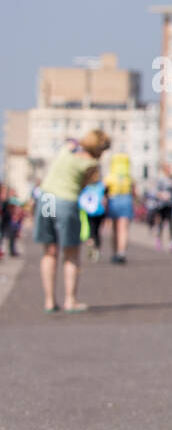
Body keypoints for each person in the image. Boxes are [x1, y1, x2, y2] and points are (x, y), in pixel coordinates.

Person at [35, 130, 109, 312]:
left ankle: (49, 301)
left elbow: (69, 140)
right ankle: (70, 300)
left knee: (49, 250)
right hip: (66, 201)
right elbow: (87, 185)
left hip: (47, 197)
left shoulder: (68, 149)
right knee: (71, 252)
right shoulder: (92, 164)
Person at [104, 153, 134, 264]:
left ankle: (115, 252)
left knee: (115, 229)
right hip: (126, 200)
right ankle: (122, 252)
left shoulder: (110, 177)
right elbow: (133, 192)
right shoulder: (128, 177)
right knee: (124, 229)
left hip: (114, 200)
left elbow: (103, 190)